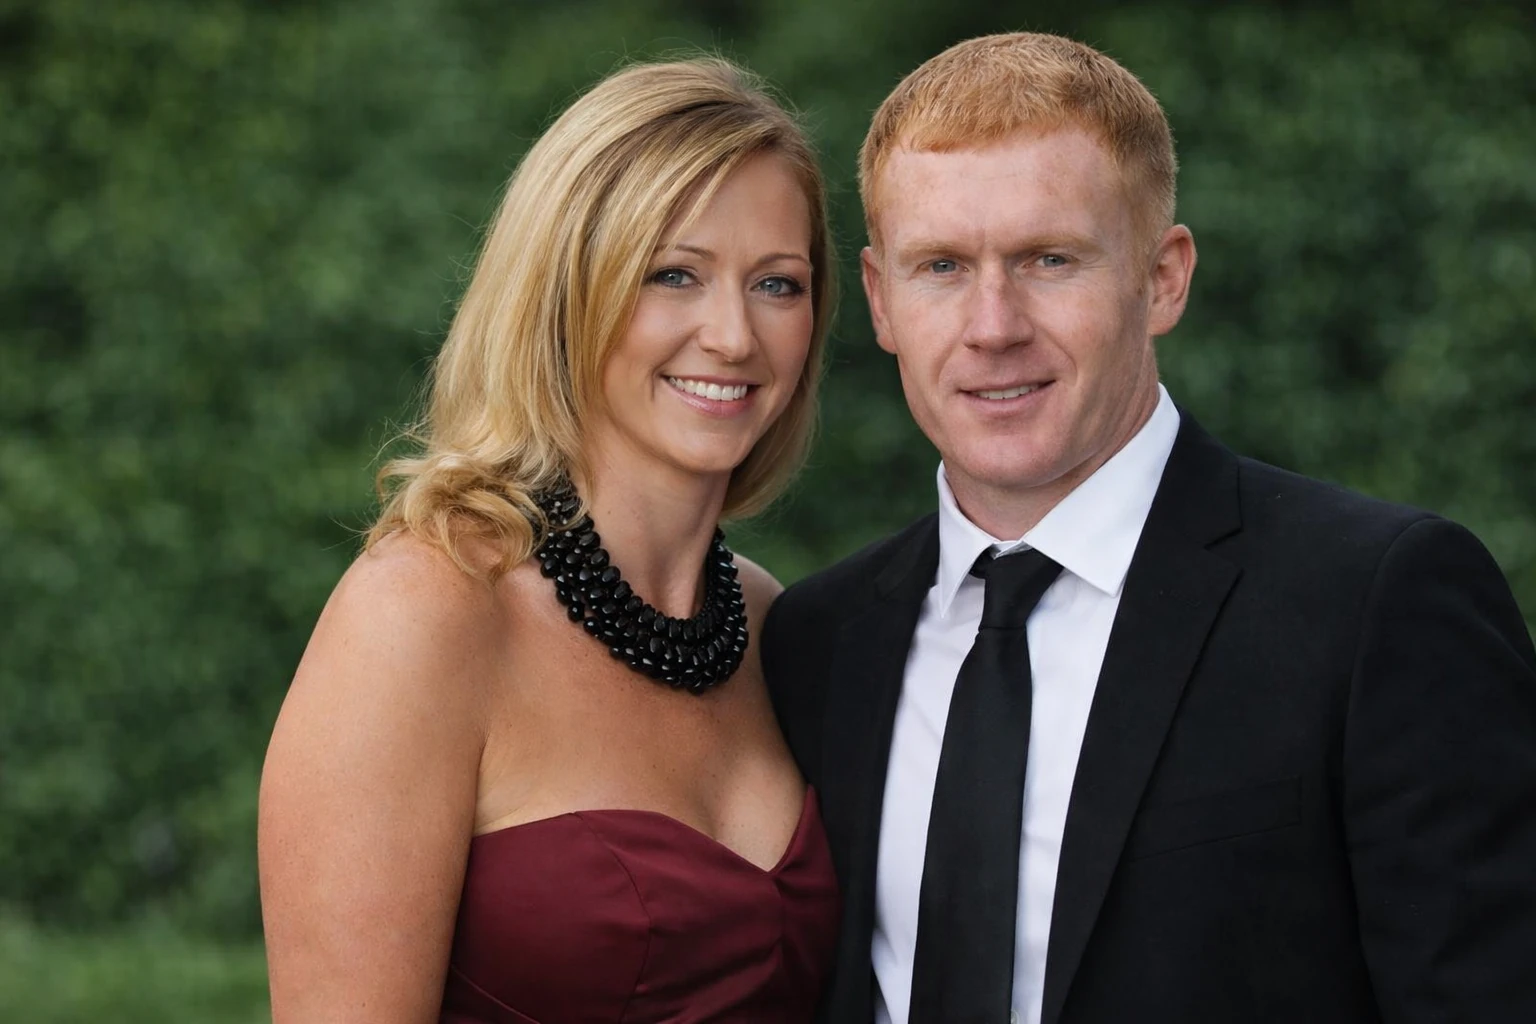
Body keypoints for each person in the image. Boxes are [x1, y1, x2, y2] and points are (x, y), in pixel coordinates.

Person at [763, 31, 1536, 1024]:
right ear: (880, 300)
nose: (993, 325)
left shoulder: (1379, 602)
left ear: (1163, 277)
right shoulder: (819, 643)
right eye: (942, 266)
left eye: (1049, 259)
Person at [258, 57, 841, 1023]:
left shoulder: (777, 626)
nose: (735, 336)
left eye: (778, 284)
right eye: (674, 275)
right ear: (568, 292)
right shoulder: (428, 607)